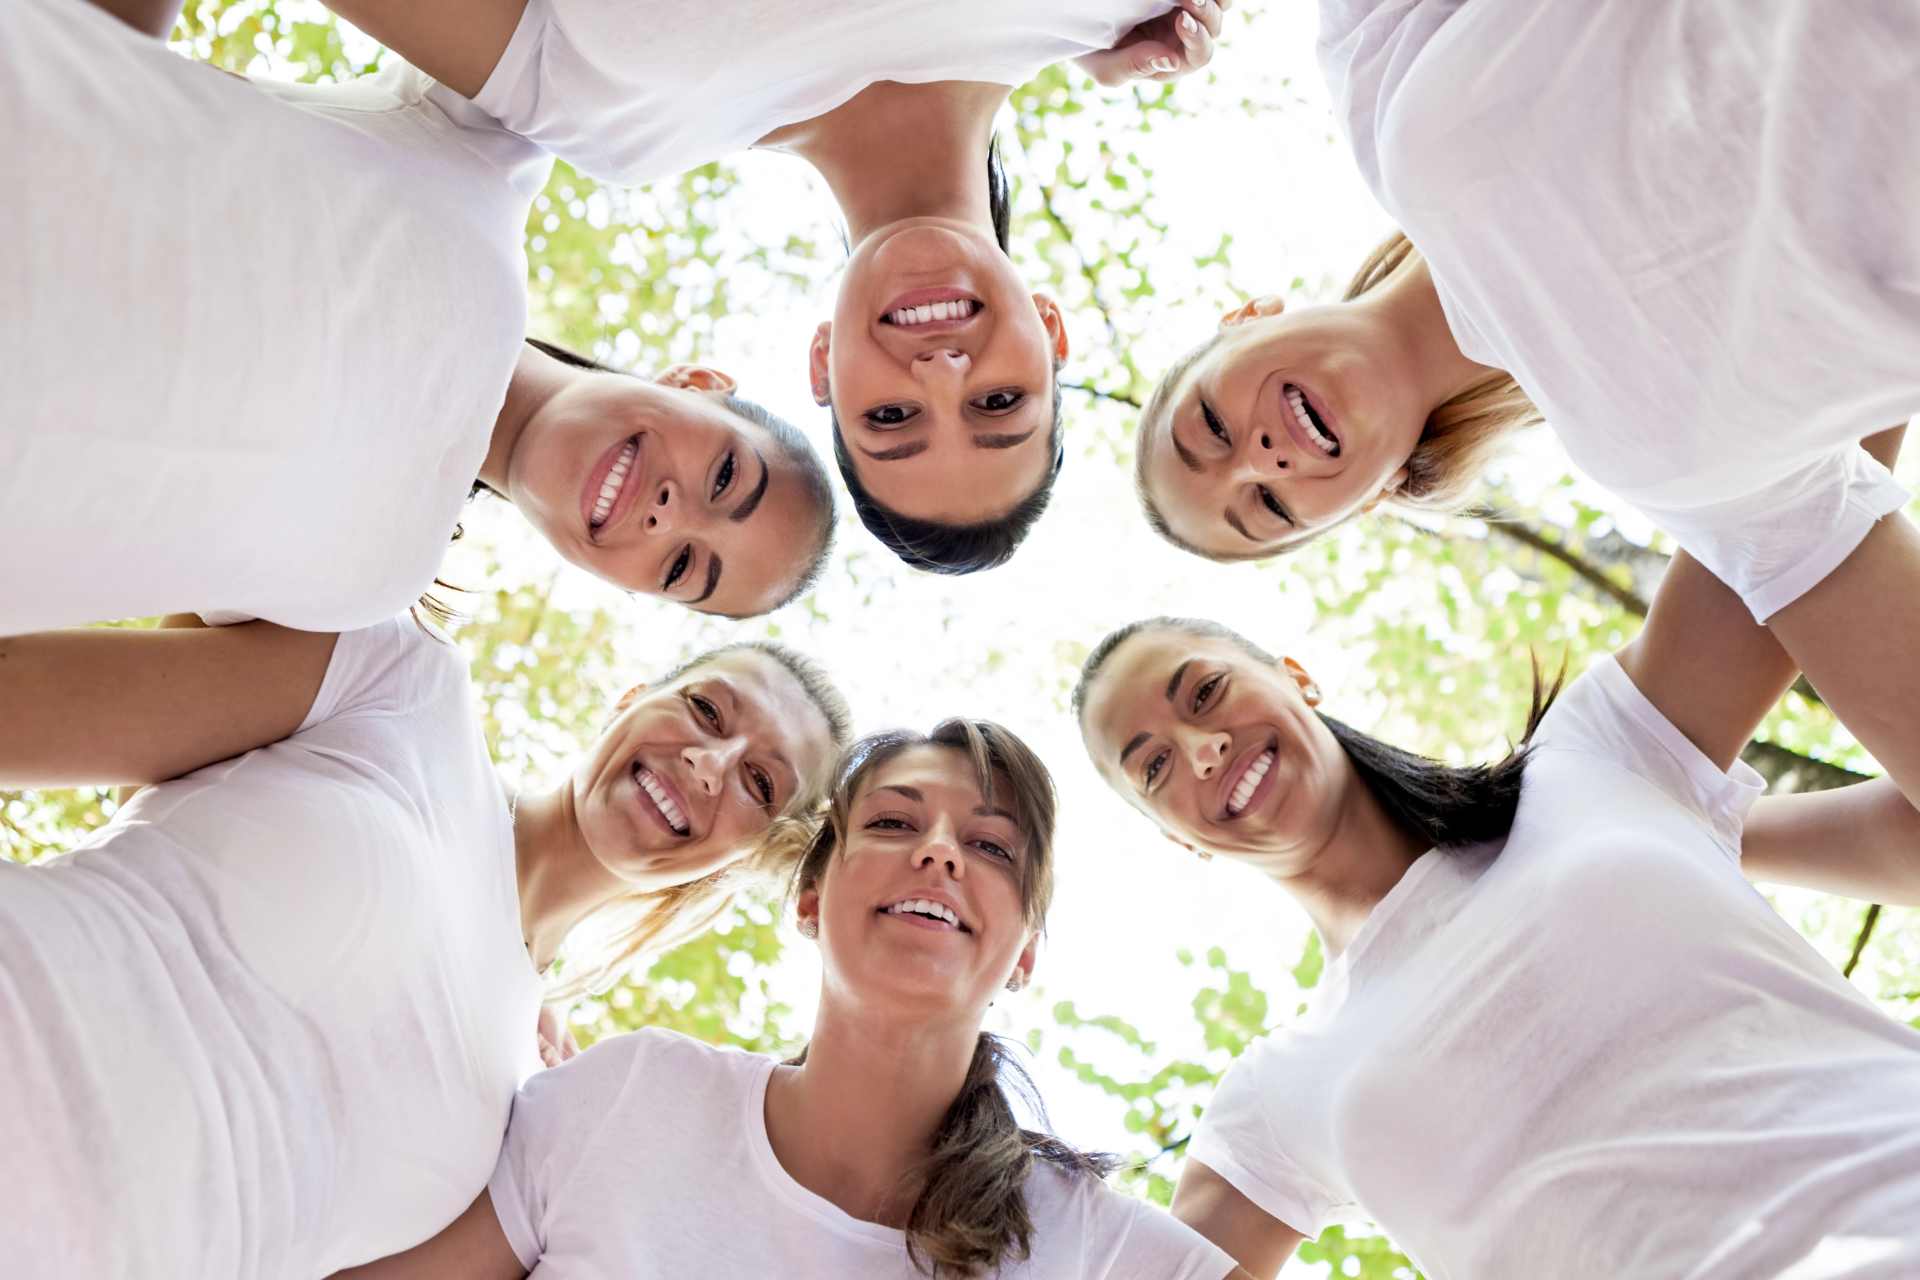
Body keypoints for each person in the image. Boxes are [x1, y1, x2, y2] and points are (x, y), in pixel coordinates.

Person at [1071, 531, 1920, 1276]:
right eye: (1153, 768)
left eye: (1206, 693)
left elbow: (1790, 481)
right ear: (1173, 835)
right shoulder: (1275, 1098)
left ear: (1297, 678)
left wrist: (1713, 827)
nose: (1203, 747)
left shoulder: (1595, 758)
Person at [1133, 0, 1920, 802]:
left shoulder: (1382, 78)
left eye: (1213, 426)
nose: (1260, 459)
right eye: (1268, 505)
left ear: (1242, 322)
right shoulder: (1667, 470)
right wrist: (1710, 840)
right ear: (1366, 504)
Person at [0, 614, 848, 1276]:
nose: (711, 762)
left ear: (749, 862)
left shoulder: (535, 1108)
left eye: (759, 783)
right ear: (632, 697)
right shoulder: (401, 690)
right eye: (706, 709)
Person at [0, 0, 835, 637]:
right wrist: (78, 66)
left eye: (684, 566)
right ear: (699, 384)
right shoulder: (487, 158)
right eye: (725, 477)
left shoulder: (365, 591)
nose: (667, 514)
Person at [312, 0, 1233, 573]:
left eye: (891, 420)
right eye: (1000, 400)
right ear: (1051, 330)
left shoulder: (621, 123)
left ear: (825, 364)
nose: (943, 370)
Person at [331, 719, 1249, 1278]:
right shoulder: (634, 1096)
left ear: (1024, 957)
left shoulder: (1094, 1248)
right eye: (893, 823)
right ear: (810, 899)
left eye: (992, 847)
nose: (938, 852)